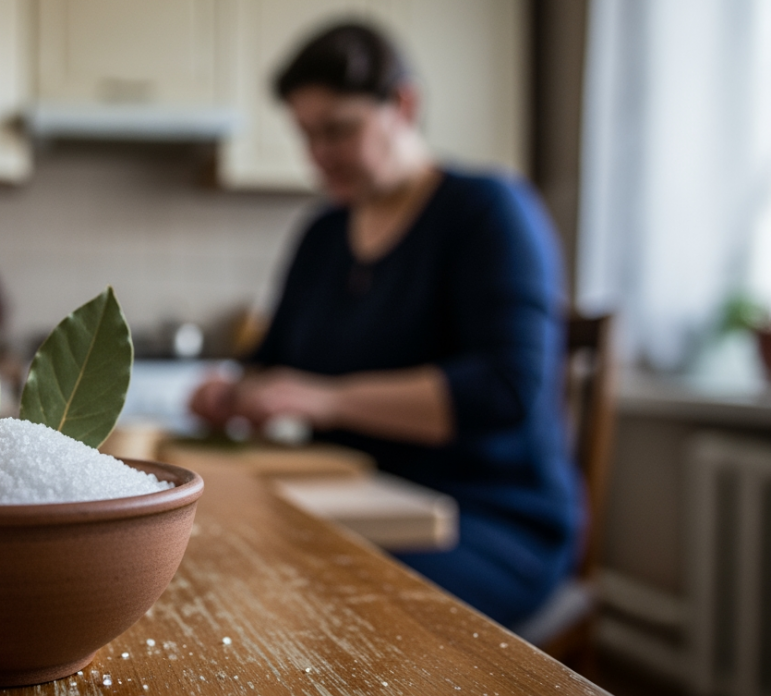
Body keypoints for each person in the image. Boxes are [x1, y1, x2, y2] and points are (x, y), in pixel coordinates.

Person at [189, 22, 582, 629]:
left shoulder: (488, 211)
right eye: (306, 134)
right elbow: (272, 360)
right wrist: (234, 393)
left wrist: (327, 400)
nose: (318, 154)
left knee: (318, 609)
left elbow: (506, 389)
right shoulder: (322, 235)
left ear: (403, 104)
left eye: (338, 130)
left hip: (488, 520)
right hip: (359, 499)